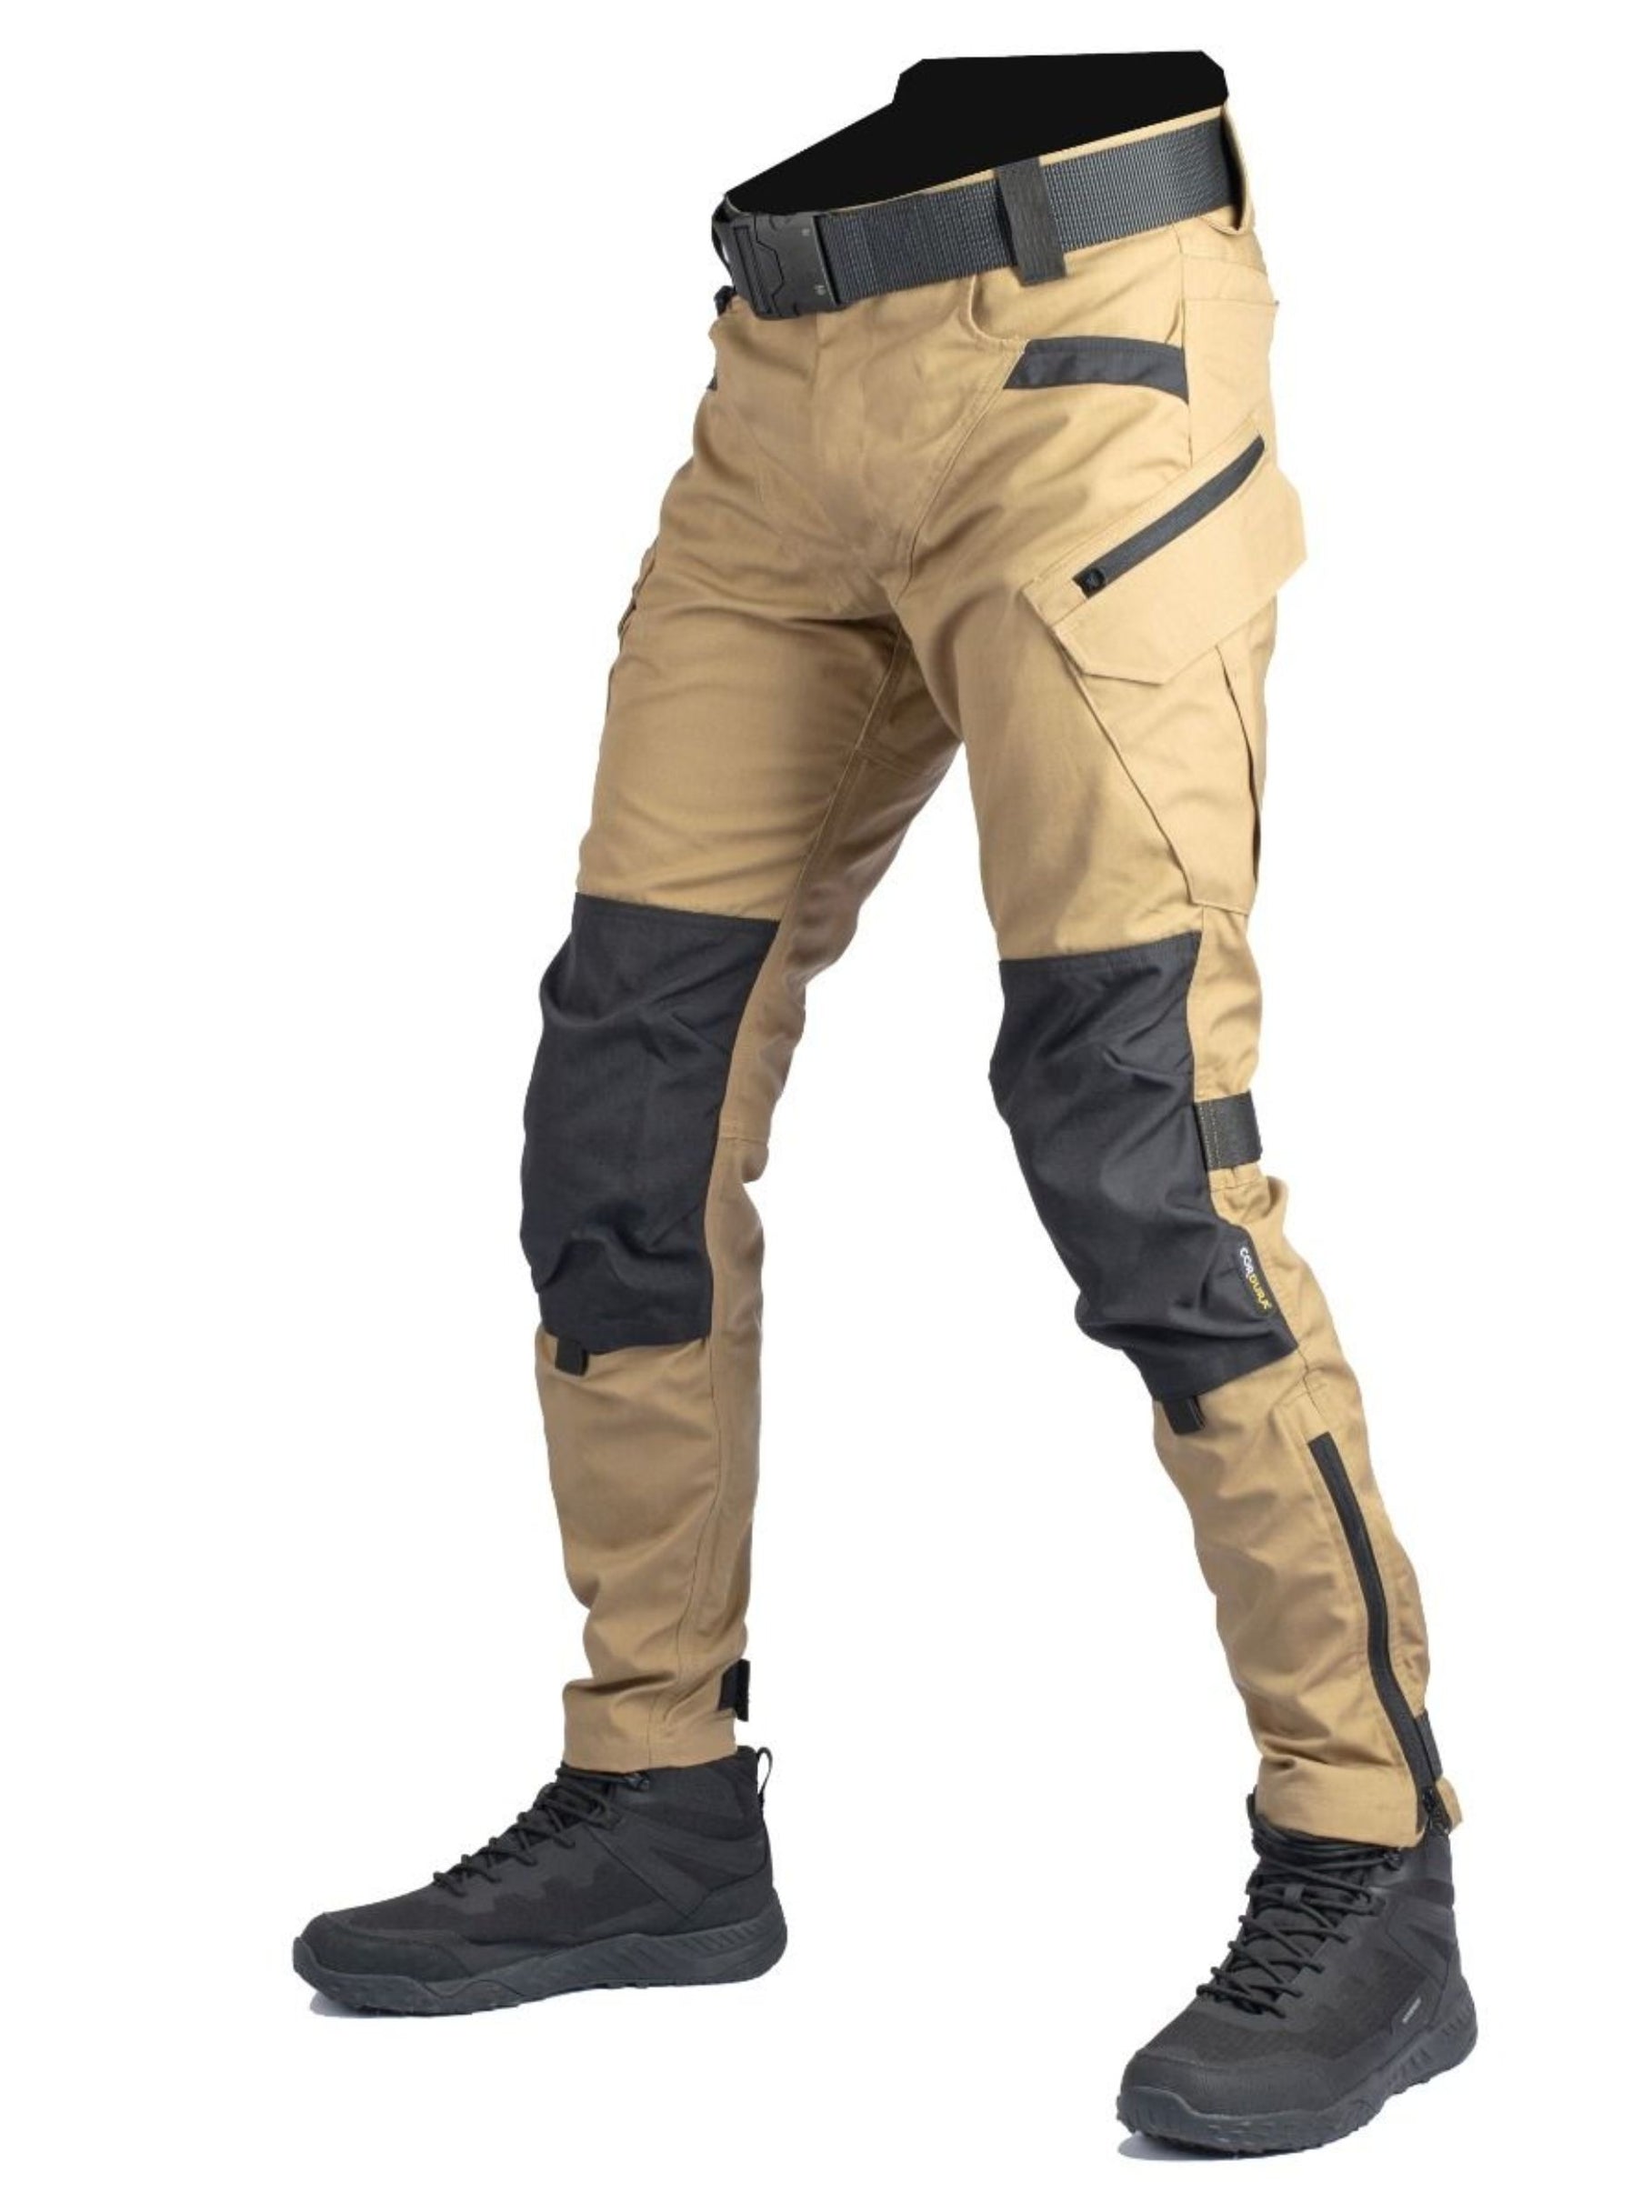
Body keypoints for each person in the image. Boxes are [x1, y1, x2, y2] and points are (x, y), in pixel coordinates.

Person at [295, 51, 1476, 2156]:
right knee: (626, 1101)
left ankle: (1365, 1856)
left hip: (1087, 352)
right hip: (780, 382)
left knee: (1133, 1124)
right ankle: (657, 1794)